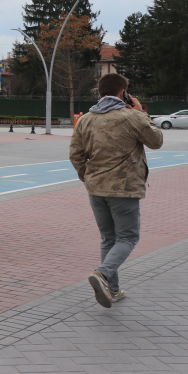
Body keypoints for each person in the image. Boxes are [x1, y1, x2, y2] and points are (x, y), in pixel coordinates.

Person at [69, 73, 163, 308]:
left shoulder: (86, 119)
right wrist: (141, 112)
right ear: (124, 93)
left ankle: (112, 289)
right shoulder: (132, 117)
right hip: (123, 189)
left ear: (99, 93)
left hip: (95, 188)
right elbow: (156, 141)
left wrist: (87, 177)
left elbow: (75, 154)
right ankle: (102, 273)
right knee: (128, 237)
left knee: (108, 238)